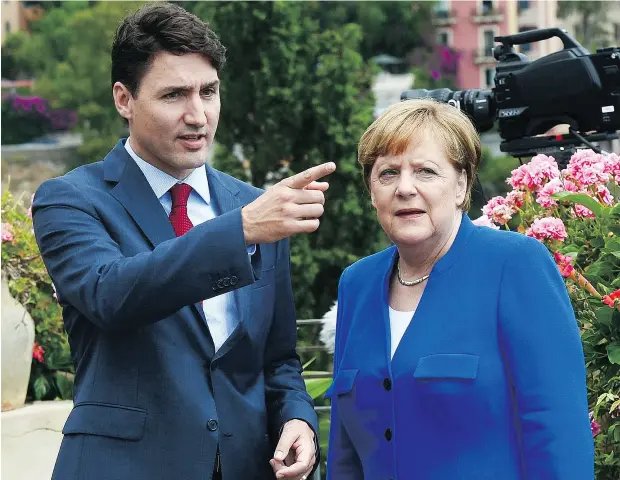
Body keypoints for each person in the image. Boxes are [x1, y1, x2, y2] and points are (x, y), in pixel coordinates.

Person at [32, 3, 333, 480]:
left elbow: (277, 359)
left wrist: (297, 418)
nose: (198, 115)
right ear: (123, 99)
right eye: (174, 95)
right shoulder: (70, 199)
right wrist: (240, 231)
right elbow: (112, 294)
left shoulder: (254, 205)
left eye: (208, 92)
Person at [325, 99, 594, 479]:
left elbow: (557, 431)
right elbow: (344, 452)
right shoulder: (356, 283)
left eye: (425, 171)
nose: (404, 188)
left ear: (462, 184)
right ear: (372, 192)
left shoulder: (515, 265)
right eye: (387, 173)